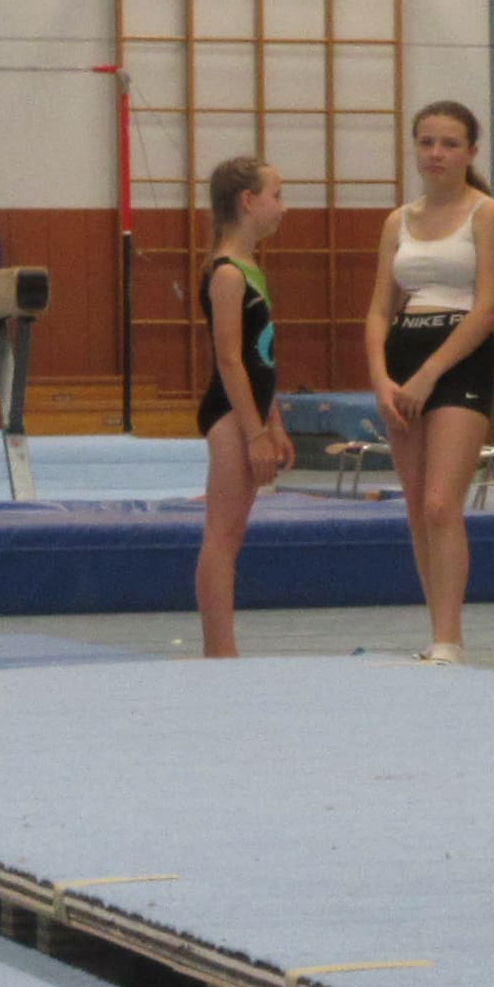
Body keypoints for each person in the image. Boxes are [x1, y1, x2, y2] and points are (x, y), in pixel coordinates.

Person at [364, 100, 494, 664]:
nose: (436, 153)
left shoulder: (487, 214)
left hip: (458, 358)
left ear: (470, 152)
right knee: (414, 506)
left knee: (439, 504)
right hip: (404, 353)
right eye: (426, 142)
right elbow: (379, 309)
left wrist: (430, 374)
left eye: (449, 144)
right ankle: (436, 631)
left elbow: (489, 306)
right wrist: (381, 378)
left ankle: (450, 638)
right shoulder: (397, 220)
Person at [194, 157, 291, 659]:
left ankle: (222, 649)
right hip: (230, 414)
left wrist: (276, 422)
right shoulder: (228, 274)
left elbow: (262, 357)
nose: (283, 207)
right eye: (277, 195)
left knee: (232, 534)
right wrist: (254, 433)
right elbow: (230, 360)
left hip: (250, 411)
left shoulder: (251, 268)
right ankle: (219, 651)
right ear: (248, 201)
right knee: (223, 536)